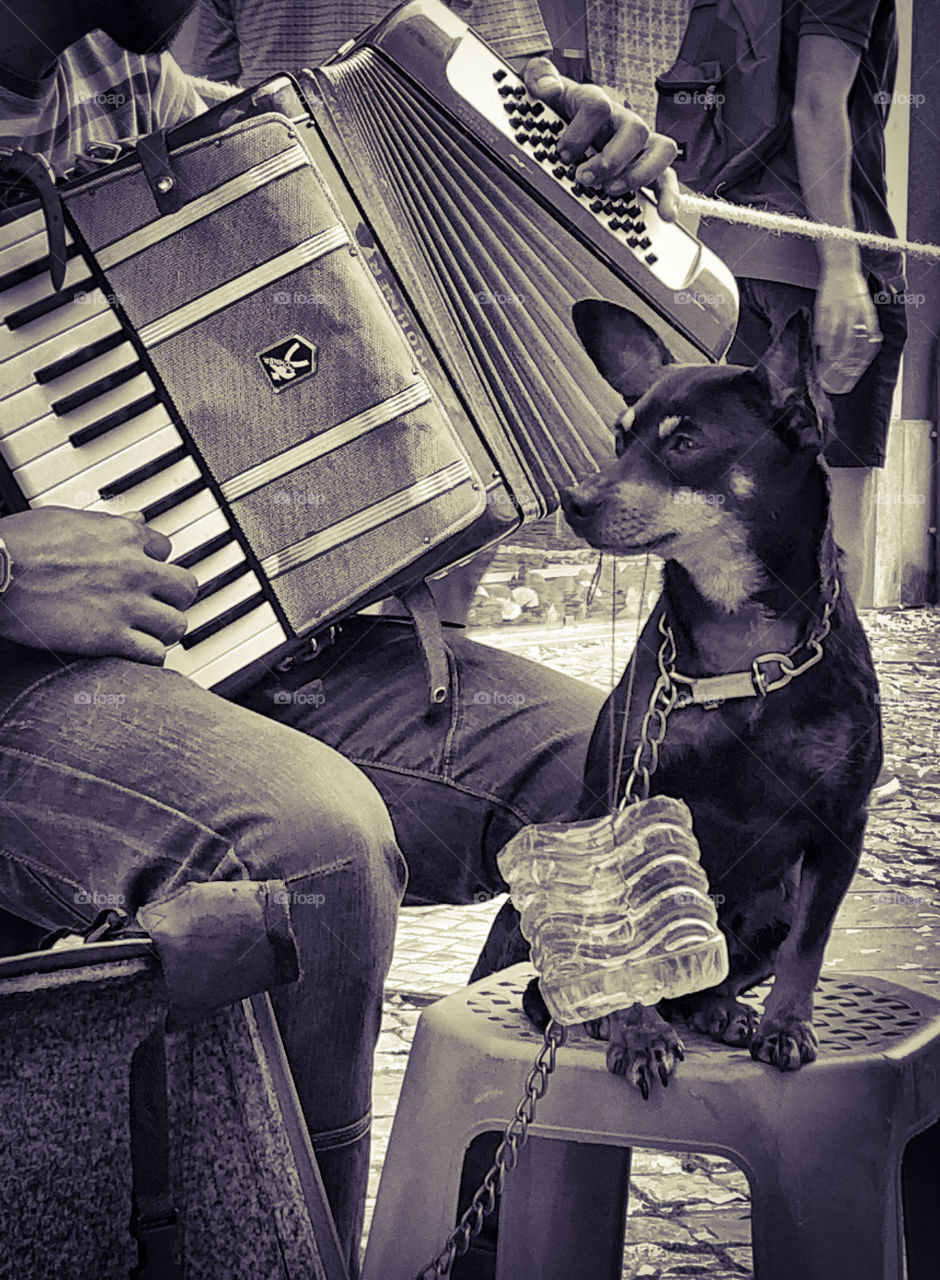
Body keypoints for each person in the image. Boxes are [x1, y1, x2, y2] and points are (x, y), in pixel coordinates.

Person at [0, 1, 679, 1270]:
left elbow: (305, 209)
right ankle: (282, 1251)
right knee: (308, 836)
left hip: (218, 625)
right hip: (20, 685)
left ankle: (466, 1254)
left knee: (631, 769)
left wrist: (576, 193)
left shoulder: (122, 75)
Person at [690, 0, 907, 601]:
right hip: (817, 267)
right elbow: (815, 106)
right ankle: (826, 689)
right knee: (836, 534)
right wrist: (843, 267)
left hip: (729, 261)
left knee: (744, 526)